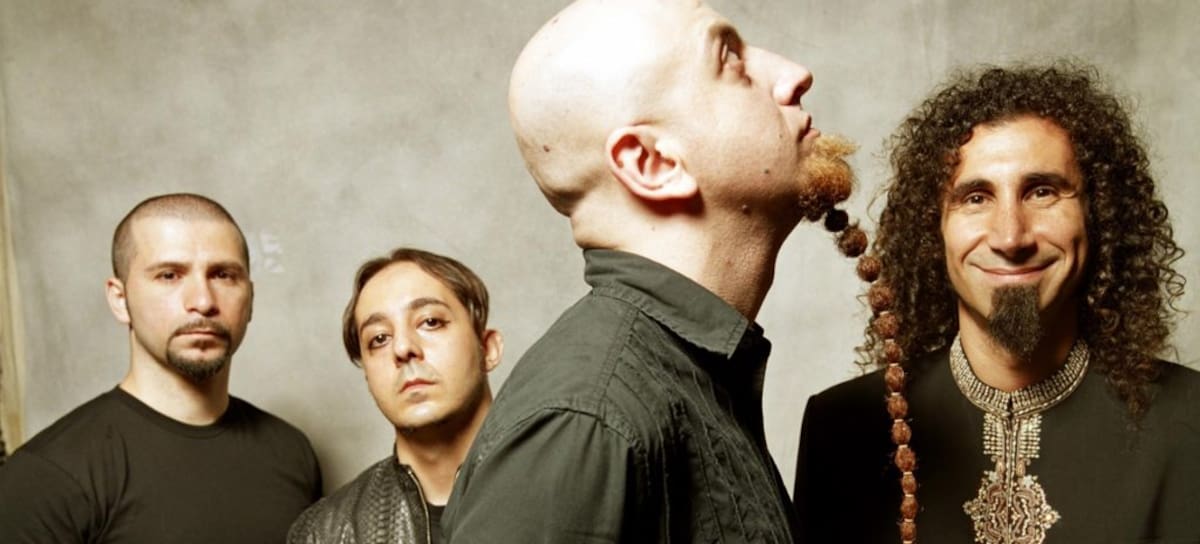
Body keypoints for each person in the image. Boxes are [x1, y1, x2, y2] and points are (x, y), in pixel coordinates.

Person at [443, 0, 862, 542]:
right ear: (652, 163)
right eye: (730, 59)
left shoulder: (692, 378)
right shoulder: (584, 422)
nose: (794, 75)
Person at [794, 62, 1200, 544]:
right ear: (933, 231)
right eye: (975, 198)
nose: (1010, 236)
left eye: (1042, 192)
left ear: (1099, 218)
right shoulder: (841, 429)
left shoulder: (1190, 424)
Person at [0, 193, 321, 544]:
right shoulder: (47, 475)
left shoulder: (292, 453)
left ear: (250, 299)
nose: (203, 301)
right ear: (120, 300)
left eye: (223, 275)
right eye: (169, 275)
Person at [288, 248, 503, 544]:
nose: (402, 348)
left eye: (430, 321)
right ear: (368, 376)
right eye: (379, 339)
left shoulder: (562, 484)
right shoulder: (323, 534)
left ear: (488, 349)